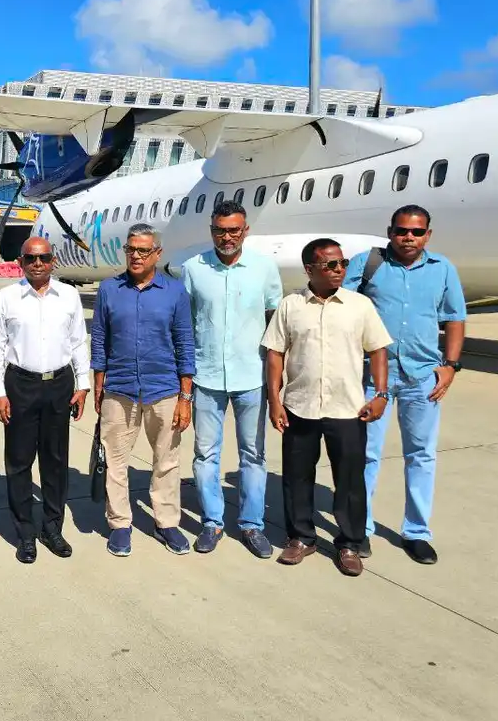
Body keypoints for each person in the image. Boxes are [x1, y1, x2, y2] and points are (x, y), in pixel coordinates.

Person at [343, 205, 467, 565]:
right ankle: (360, 528)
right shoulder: (369, 264)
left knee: (421, 455)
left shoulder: (442, 269)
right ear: (390, 232)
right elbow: (341, 307)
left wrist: (451, 366)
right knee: (366, 454)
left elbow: (454, 318)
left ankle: (416, 532)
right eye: (401, 231)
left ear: (428, 235)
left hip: (422, 377)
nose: (408, 237)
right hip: (373, 376)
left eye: (416, 232)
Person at [262, 238, 393, 577]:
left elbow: (378, 349)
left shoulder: (359, 305)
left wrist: (381, 394)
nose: (340, 270)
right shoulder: (290, 306)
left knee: (349, 480)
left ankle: (349, 544)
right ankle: (301, 538)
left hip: (347, 409)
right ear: (310, 269)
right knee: (296, 477)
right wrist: (275, 400)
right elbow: (275, 353)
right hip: (300, 406)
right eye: (331, 265)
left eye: (343, 263)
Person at [180, 200, 283, 559]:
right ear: (211, 231)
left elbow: (275, 322)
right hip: (206, 376)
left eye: (234, 230)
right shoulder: (193, 269)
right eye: (220, 230)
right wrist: (185, 378)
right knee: (205, 453)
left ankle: (252, 524)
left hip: (251, 376)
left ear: (245, 230)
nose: (227, 237)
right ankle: (212, 522)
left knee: (253, 454)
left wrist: (276, 376)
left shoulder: (264, 268)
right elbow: (185, 325)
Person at [91, 223, 196, 557]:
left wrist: (185, 396)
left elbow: (185, 342)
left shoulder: (175, 292)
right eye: (130, 249)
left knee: (166, 460)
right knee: (115, 461)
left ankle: (166, 522)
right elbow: (99, 338)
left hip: (163, 389)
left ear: (157, 254)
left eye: (143, 250)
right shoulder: (109, 289)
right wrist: (98, 383)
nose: (135, 256)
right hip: (119, 389)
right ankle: (120, 524)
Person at [0, 236, 89, 563]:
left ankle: (52, 528)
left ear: (53, 261)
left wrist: (83, 384)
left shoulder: (69, 295)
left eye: (43, 257)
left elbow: (78, 342)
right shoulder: (7, 298)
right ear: (21, 262)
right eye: (31, 258)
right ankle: (26, 532)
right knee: (19, 462)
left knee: (55, 460)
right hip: (20, 384)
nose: (38, 264)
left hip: (60, 384)